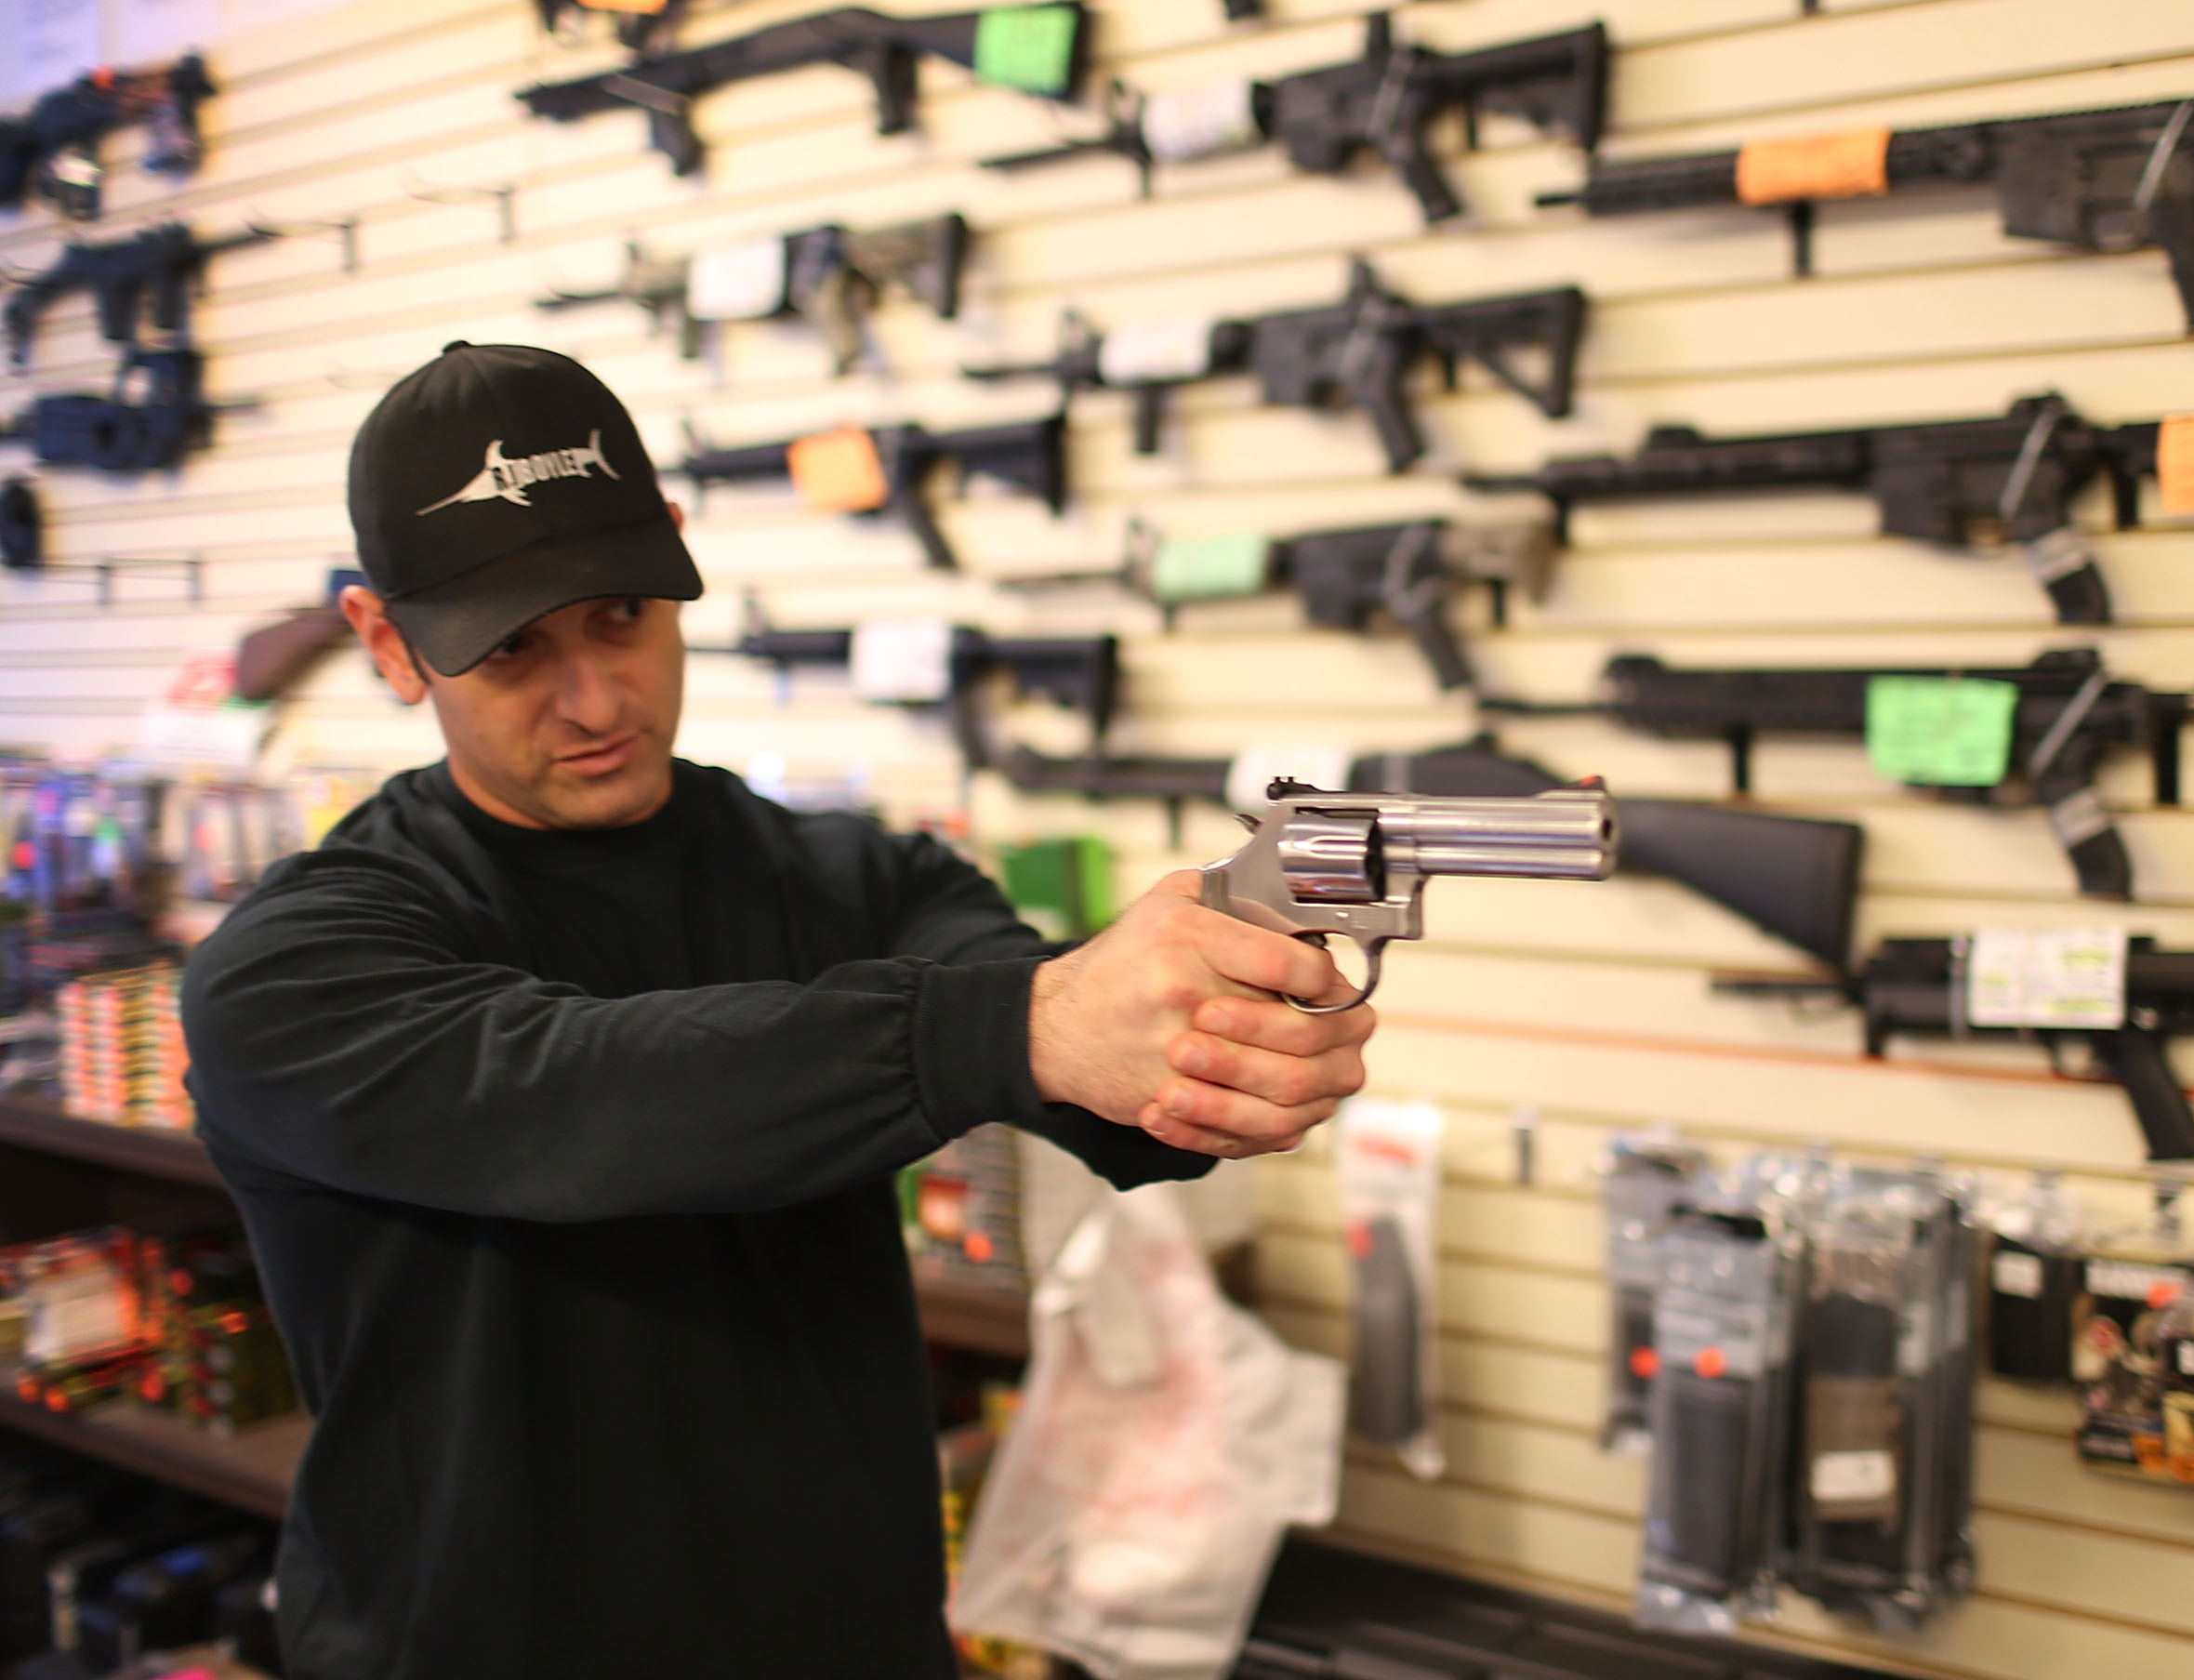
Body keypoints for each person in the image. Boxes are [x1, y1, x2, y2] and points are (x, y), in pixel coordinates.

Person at [180, 342, 1373, 1680]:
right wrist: (1016, 1025)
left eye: (620, 617)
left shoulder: (856, 878)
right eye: (512, 650)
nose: (591, 699)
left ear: (678, 559)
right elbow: (581, 1097)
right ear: (388, 643)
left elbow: (1105, 1082)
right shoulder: (291, 973)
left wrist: (1217, 1035)